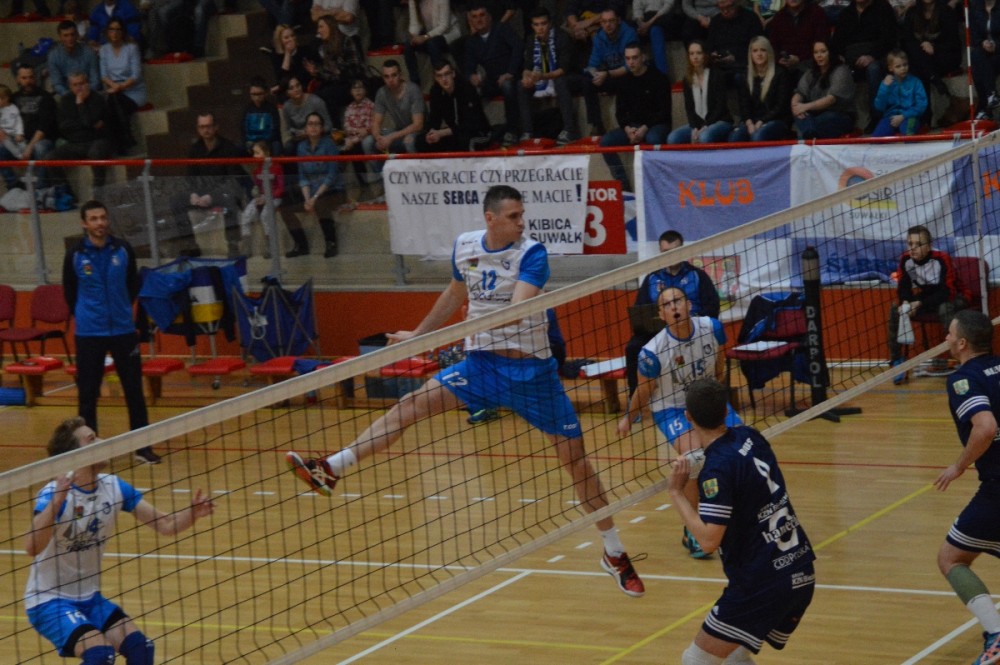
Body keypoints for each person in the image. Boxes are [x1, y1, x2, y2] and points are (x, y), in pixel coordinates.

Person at [285, 184, 647, 598]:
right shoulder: (466, 247)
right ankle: (330, 468)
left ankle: (613, 552)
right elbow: (455, 292)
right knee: (410, 405)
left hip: (532, 375)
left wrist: (462, 330)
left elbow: (517, 312)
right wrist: (418, 334)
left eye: (522, 215)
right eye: (513, 216)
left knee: (577, 462)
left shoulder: (532, 253)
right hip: (481, 367)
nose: (521, 222)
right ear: (490, 218)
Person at [24, 416, 214, 663]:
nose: (103, 442)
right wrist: (57, 501)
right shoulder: (53, 493)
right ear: (75, 456)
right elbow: (32, 547)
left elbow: (166, 524)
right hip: (48, 601)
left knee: (141, 648)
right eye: (92, 439)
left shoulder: (113, 487)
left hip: (89, 598)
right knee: (100, 655)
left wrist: (192, 514)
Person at [667, 378, 816, 663]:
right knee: (734, 657)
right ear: (726, 410)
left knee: (695, 660)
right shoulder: (751, 436)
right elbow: (733, 482)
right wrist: (696, 473)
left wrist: (676, 492)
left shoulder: (717, 470)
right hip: (799, 569)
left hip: (762, 583)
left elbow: (708, 541)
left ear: (688, 417)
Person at [618, 288, 739, 559]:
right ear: (661, 315)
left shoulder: (712, 328)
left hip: (706, 398)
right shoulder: (652, 352)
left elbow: (720, 361)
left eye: (678, 301)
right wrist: (629, 416)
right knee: (695, 458)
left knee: (741, 444)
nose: (674, 307)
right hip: (671, 408)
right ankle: (692, 529)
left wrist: (717, 390)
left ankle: (734, 515)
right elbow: (644, 390)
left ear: (689, 304)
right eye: (667, 304)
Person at [63, 201, 160, 465]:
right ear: (84, 224)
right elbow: (69, 292)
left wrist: (120, 309)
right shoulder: (74, 254)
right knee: (87, 394)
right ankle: (88, 452)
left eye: (103, 218)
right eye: (94, 219)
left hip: (123, 331)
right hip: (89, 334)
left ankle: (142, 448)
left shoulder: (123, 250)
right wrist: (87, 314)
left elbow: (132, 285)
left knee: (134, 391)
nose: (100, 223)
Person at [935, 309, 1000, 665]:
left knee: (951, 558)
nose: (945, 338)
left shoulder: (963, 379)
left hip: (998, 488)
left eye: (949, 334)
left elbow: (985, 427)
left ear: (962, 343)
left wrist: (959, 465)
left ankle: (996, 635)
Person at [625, 231, 721, 397]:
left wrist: (691, 320)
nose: (670, 256)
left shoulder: (697, 276)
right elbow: (640, 313)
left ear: (683, 250)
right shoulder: (652, 278)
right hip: (659, 333)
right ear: (660, 252)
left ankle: (709, 394)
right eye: (666, 252)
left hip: (691, 331)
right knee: (633, 347)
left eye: (675, 251)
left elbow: (712, 309)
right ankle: (636, 399)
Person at [888, 224, 970, 383]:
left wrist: (919, 304)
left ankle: (963, 360)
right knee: (896, 309)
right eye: (910, 244)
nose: (913, 248)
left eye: (918, 244)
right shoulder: (906, 260)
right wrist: (906, 303)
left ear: (929, 246)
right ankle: (897, 362)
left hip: (955, 295)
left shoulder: (941, 259)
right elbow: (903, 287)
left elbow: (946, 292)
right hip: (928, 297)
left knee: (945, 308)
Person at [166, 112, 247, 258]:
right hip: (201, 192)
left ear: (216, 127)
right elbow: (191, 177)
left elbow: (232, 179)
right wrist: (193, 194)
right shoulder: (195, 149)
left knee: (230, 200)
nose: (206, 130)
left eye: (209, 126)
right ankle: (190, 244)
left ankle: (233, 244)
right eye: (202, 127)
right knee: (176, 201)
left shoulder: (228, 147)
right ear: (198, 129)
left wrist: (211, 196)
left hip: (223, 191)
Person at [599, 43, 671, 192]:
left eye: (634, 58)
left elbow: (663, 111)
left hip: (656, 124)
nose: (631, 62)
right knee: (605, 142)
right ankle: (623, 186)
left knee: (653, 138)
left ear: (643, 57)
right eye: (627, 58)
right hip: (632, 126)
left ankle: (657, 183)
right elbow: (620, 113)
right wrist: (627, 129)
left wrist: (644, 128)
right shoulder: (624, 81)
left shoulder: (659, 78)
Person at [517, 6, 585, 145]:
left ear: (550, 23)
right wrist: (526, 77)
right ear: (532, 26)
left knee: (560, 81)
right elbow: (527, 66)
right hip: (542, 76)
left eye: (543, 24)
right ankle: (527, 131)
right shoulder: (531, 39)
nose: (540, 28)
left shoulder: (562, 37)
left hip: (570, 76)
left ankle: (570, 130)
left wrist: (542, 76)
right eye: (536, 25)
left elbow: (563, 69)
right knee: (520, 85)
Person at [280, 112, 343, 258]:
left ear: (322, 128)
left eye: (317, 124)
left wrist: (314, 198)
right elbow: (303, 177)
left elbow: (332, 176)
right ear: (305, 128)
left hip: (332, 190)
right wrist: (307, 198)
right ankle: (301, 244)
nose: (313, 127)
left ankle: (331, 242)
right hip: (311, 190)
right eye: (310, 124)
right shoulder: (301, 147)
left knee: (320, 203)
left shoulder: (329, 145)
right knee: (285, 205)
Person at [464, 3, 523, 145]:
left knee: (508, 86)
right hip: (492, 80)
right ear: (470, 21)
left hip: (511, 75)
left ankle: (512, 131)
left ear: (489, 17)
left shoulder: (502, 29)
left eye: (482, 15)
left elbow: (518, 47)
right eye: (474, 17)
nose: (479, 20)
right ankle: (482, 131)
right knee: (468, 90)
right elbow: (469, 66)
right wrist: (471, 75)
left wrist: (510, 72)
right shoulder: (472, 41)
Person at [830, 0, 898, 123]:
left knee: (873, 69)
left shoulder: (883, 8)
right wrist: (842, 56)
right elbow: (837, 42)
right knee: (837, 69)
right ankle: (842, 119)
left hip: (878, 55)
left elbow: (889, 39)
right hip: (851, 57)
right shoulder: (846, 13)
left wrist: (871, 56)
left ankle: (876, 118)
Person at [50, 72, 113, 194]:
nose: (79, 87)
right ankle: (66, 194)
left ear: (87, 83)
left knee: (96, 153)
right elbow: (63, 127)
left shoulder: (98, 99)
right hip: (75, 143)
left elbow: (88, 123)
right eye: (75, 85)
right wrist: (86, 124)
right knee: (50, 158)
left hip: (97, 140)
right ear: (70, 86)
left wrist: (80, 104)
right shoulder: (65, 100)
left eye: (81, 83)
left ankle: (99, 192)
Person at [900, 0, 961, 121]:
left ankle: (925, 118)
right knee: (917, 60)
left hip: (944, 56)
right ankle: (934, 79)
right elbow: (906, 41)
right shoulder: (912, 13)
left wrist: (934, 47)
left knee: (918, 67)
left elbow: (953, 42)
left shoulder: (946, 12)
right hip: (922, 59)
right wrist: (922, 47)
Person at [583, 7, 640, 135]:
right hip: (610, 75)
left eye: (611, 21)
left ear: (618, 21)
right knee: (587, 81)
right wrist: (595, 75)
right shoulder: (599, 37)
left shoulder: (629, 34)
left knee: (627, 79)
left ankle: (628, 124)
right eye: (604, 22)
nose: (607, 25)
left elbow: (631, 66)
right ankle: (596, 125)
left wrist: (607, 74)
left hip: (629, 75)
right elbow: (592, 64)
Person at [668, 40, 734, 143]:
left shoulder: (717, 75)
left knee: (704, 137)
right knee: (673, 138)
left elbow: (720, 107)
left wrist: (706, 126)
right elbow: (689, 108)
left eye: (698, 53)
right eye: (692, 54)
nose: (695, 57)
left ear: (705, 55)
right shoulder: (687, 79)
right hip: (698, 123)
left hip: (720, 120)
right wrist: (695, 127)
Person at [417, 59, 491, 152]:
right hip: (455, 133)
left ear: (453, 74)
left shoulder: (466, 88)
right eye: (439, 76)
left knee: (464, 141)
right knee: (421, 141)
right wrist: (430, 133)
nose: (444, 79)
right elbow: (434, 119)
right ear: (435, 78)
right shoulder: (436, 91)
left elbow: (470, 124)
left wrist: (442, 133)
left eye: (446, 74)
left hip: (478, 133)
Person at [363, 60, 425, 169]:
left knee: (409, 142)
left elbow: (418, 125)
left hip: (418, 132)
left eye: (394, 75)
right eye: (386, 77)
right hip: (399, 131)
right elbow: (376, 123)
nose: (390, 80)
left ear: (400, 75)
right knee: (367, 142)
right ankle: (383, 175)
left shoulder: (413, 90)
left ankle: (418, 175)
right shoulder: (382, 92)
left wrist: (391, 137)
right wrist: (379, 138)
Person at [305, 15, 367, 124]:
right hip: (336, 83)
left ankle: (336, 128)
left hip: (351, 84)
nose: (318, 31)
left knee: (327, 95)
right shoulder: (324, 47)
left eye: (321, 27)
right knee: (315, 96)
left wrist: (338, 70)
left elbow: (356, 69)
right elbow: (329, 75)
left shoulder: (346, 41)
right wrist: (317, 72)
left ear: (330, 26)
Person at [3, 66, 57, 191]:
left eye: (31, 77)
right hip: (20, 141)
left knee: (40, 148)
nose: (28, 81)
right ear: (18, 79)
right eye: (24, 78)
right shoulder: (13, 99)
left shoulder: (46, 97)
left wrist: (29, 147)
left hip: (42, 140)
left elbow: (44, 127)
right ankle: (14, 186)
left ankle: (40, 189)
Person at [730, 35, 792, 141]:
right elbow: (744, 105)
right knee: (734, 138)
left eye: (763, 50)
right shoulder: (745, 75)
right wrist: (749, 123)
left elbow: (780, 106)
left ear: (769, 53)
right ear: (750, 54)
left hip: (777, 120)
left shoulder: (780, 73)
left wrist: (761, 121)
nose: (759, 54)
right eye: (755, 51)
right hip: (752, 120)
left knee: (757, 137)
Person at [790, 39, 856, 138]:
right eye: (816, 52)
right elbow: (799, 93)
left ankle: (808, 135)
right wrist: (795, 106)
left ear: (831, 52)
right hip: (813, 113)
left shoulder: (841, 70)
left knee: (817, 121)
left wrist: (805, 107)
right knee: (801, 116)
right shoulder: (810, 73)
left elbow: (831, 99)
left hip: (839, 114)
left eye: (823, 51)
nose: (819, 55)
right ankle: (809, 133)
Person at [99, 17, 146, 154]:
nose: (114, 33)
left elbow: (136, 75)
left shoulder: (132, 48)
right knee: (114, 101)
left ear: (123, 32)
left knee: (113, 103)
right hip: (114, 89)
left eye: (118, 29)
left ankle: (118, 145)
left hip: (133, 91)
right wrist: (115, 87)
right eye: (111, 29)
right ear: (107, 32)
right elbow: (104, 76)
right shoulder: (104, 50)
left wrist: (120, 87)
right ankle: (126, 139)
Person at [767, 0, 831, 83]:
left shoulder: (817, 13)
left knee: (805, 71)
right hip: (785, 64)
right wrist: (779, 58)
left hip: (811, 60)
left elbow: (823, 42)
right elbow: (773, 45)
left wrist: (799, 58)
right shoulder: (779, 17)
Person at [705, 0, 765, 87]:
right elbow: (709, 46)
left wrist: (736, 56)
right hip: (720, 66)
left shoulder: (751, 18)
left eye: (728, 7)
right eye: (721, 8)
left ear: (737, 3)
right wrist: (713, 55)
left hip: (744, 64)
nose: (725, 11)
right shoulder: (715, 21)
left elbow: (760, 46)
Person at [240, 141, 283, 258]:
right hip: (262, 196)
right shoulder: (256, 170)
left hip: (275, 197)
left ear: (266, 153)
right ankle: (247, 247)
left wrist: (268, 198)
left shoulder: (276, 167)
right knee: (246, 215)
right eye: (254, 153)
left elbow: (280, 188)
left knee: (265, 215)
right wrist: (258, 197)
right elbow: (258, 188)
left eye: (258, 153)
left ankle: (270, 247)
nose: (255, 156)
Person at [404, 0, 462, 86]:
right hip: (431, 34)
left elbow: (444, 26)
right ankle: (415, 83)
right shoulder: (413, 1)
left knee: (433, 44)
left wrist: (425, 37)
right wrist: (414, 36)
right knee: (408, 45)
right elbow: (415, 24)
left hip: (449, 34)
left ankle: (440, 79)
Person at [871, 49, 927, 136]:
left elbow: (921, 105)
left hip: (910, 116)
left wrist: (903, 116)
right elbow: (879, 106)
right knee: (877, 137)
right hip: (891, 117)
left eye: (905, 65)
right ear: (890, 68)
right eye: (898, 66)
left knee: (908, 133)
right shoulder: (886, 83)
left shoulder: (915, 82)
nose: (903, 68)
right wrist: (884, 87)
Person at [280, 76, 334, 156]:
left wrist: (313, 131)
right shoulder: (287, 107)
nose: (296, 89)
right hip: (299, 138)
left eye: (298, 85)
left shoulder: (316, 102)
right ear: (287, 93)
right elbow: (288, 129)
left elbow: (328, 125)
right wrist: (299, 133)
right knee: (289, 147)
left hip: (318, 136)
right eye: (291, 88)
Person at [48, 20, 101, 98]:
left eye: (72, 34)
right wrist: (70, 97)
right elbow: (57, 83)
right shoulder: (54, 56)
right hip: (67, 94)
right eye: (66, 35)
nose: (70, 38)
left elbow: (95, 80)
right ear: (60, 37)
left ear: (77, 35)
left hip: (88, 93)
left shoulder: (89, 52)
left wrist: (85, 94)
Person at [632, 0, 682, 76]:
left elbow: (669, 5)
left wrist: (649, 23)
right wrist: (641, 24)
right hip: (645, 19)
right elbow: (637, 7)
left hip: (662, 17)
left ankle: (662, 76)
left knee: (655, 31)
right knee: (632, 33)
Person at [968, 0, 1000, 120]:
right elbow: (973, 35)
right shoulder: (975, 9)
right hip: (984, 52)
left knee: (980, 64)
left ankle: (984, 107)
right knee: (976, 56)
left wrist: (996, 45)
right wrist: (982, 43)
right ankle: (991, 95)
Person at [242, 76, 283, 156]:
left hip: (268, 141)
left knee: (276, 146)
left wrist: (264, 142)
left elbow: (275, 130)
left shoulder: (272, 109)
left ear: (265, 93)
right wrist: (251, 143)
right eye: (253, 94)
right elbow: (243, 130)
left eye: (259, 94)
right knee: (239, 148)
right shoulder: (247, 109)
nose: (256, 97)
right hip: (251, 141)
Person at [0, 84, 28, 169]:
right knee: (7, 142)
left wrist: (19, 133)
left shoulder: (13, 108)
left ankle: (25, 158)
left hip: (15, 132)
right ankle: (19, 156)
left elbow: (19, 122)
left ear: (6, 98)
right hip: (5, 134)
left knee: (23, 145)